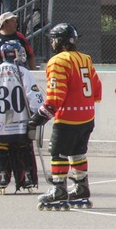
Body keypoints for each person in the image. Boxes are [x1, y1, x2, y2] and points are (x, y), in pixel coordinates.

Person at [29, 24, 101, 210]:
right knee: (78, 152)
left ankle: (59, 188)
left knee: (58, 152)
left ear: (59, 41)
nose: (51, 43)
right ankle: (81, 187)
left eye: (53, 39)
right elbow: (97, 88)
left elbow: (55, 96)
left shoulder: (57, 61)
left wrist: (39, 117)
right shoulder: (85, 59)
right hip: (87, 116)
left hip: (68, 117)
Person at [0, 41, 41, 195]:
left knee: (1, 146)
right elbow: (34, 98)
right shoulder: (24, 72)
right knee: (23, 147)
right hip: (21, 121)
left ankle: (2, 175)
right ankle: (26, 176)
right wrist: (38, 114)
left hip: (0, 122)